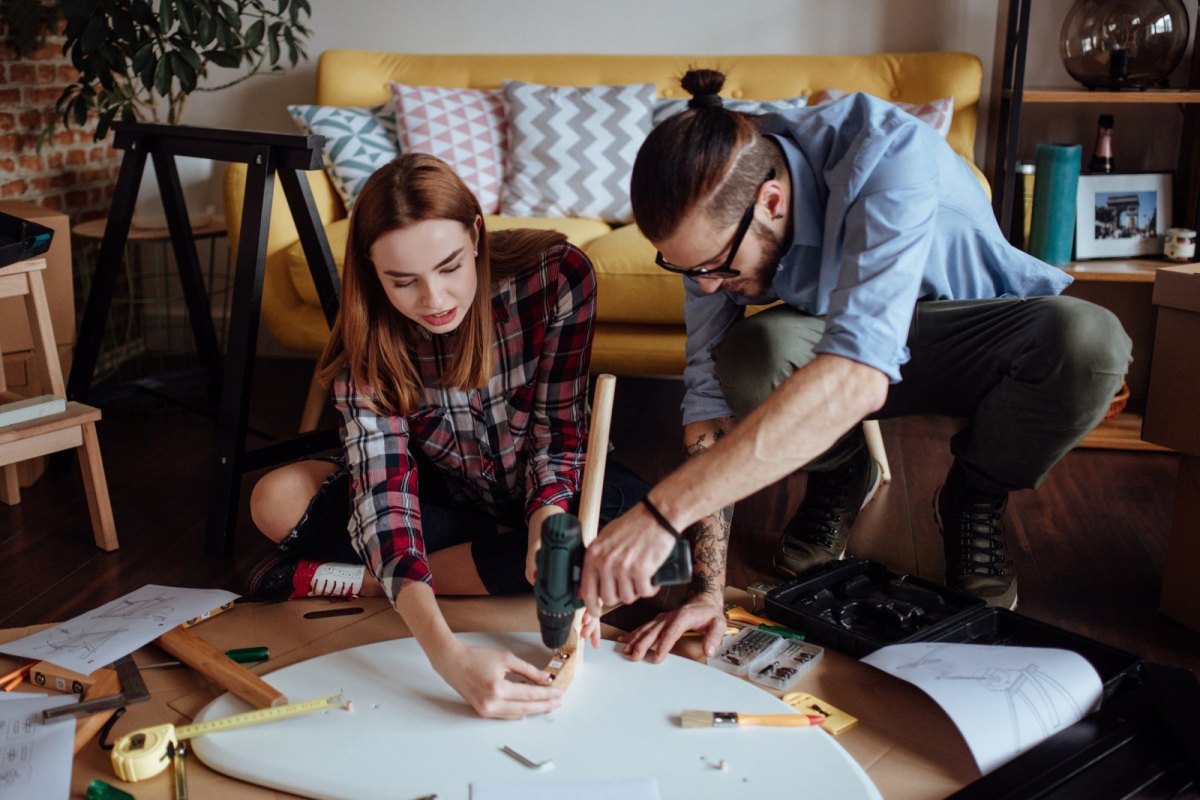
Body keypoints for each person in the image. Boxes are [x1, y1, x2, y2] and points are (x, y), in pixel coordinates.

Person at [578, 69, 1132, 662]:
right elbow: (709, 401)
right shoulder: (714, 206)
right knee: (748, 353)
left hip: (967, 331)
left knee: (1091, 340)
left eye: (716, 266)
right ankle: (840, 475)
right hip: (845, 348)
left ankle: (975, 495)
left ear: (772, 201)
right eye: (688, 271)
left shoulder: (887, 153)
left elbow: (857, 375)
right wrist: (707, 591)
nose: (708, 287)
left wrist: (661, 513)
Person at [244, 153, 646, 718]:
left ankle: (351, 579)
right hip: (447, 503)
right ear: (371, 269)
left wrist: (548, 522)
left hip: (543, 483)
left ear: (477, 233)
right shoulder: (362, 347)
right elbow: (385, 499)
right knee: (276, 499)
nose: (434, 300)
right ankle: (458, 569)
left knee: (638, 539)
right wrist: (447, 654)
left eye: (451, 267)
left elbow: (559, 431)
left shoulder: (558, 275)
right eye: (402, 282)